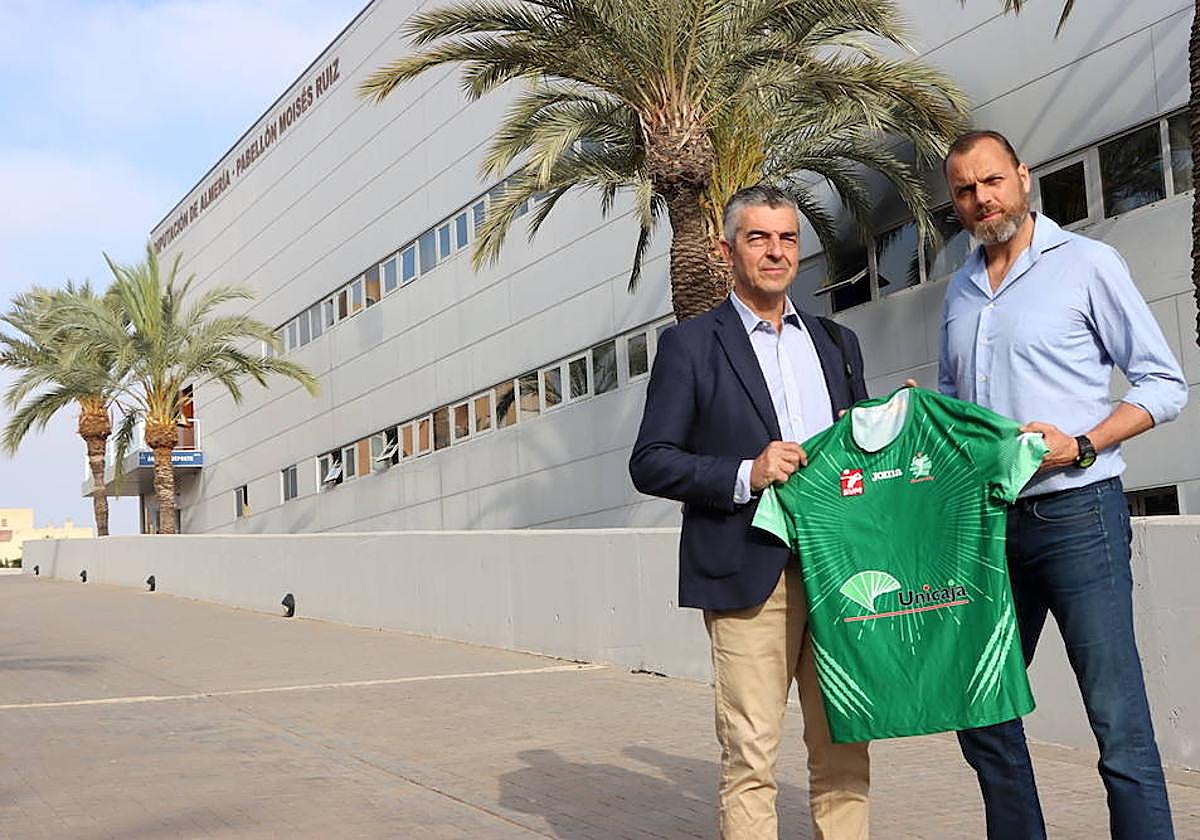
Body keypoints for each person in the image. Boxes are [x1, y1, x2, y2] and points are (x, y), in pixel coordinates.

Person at [939, 129, 1188, 840]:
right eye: (964, 190)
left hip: (1080, 518)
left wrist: (1080, 444)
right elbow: (956, 410)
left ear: (1022, 177)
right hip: (987, 529)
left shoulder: (1087, 264)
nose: (981, 199)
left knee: (1117, 723)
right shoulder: (957, 290)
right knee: (980, 701)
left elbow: (1164, 385)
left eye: (991, 181)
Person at [630, 184, 871, 840]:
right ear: (726, 249)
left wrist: (892, 432)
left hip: (841, 577)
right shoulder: (690, 346)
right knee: (751, 758)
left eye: (787, 238)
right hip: (746, 576)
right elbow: (651, 461)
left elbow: (860, 457)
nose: (775, 251)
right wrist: (746, 473)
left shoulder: (837, 343)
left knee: (847, 749)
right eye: (758, 237)